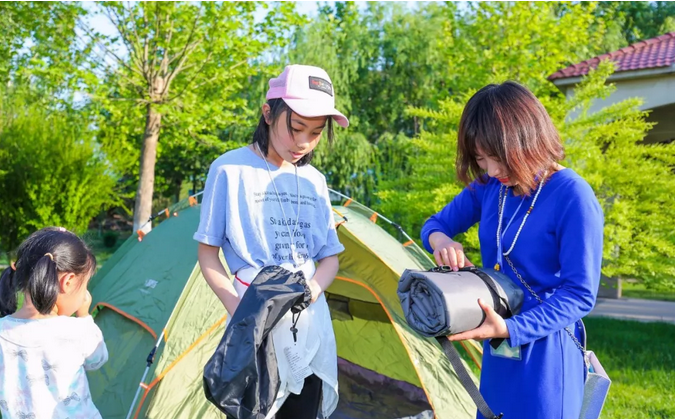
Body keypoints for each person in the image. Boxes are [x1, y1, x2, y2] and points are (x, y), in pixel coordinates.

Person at [421, 81, 604, 419]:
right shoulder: (491, 187)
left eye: (497, 158)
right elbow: (434, 225)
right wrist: (442, 242)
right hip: (498, 348)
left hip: (545, 354)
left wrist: (510, 329)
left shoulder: (573, 196)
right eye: (481, 158)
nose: (491, 170)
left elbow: (579, 294)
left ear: (527, 139)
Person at [194, 64, 348, 419]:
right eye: (295, 128)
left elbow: (330, 258)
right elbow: (207, 253)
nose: (304, 142)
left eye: (316, 132)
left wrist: (311, 291)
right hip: (256, 325)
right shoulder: (230, 170)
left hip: (309, 321)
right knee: (259, 409)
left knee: (305, 407)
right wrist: (240, 312)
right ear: (268, 113)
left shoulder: (315, 181)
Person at [0, 227, 108, 419]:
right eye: (85, 287)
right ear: (67, 282)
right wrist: (84, 316)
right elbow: (98, 359)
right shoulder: (76, 330)